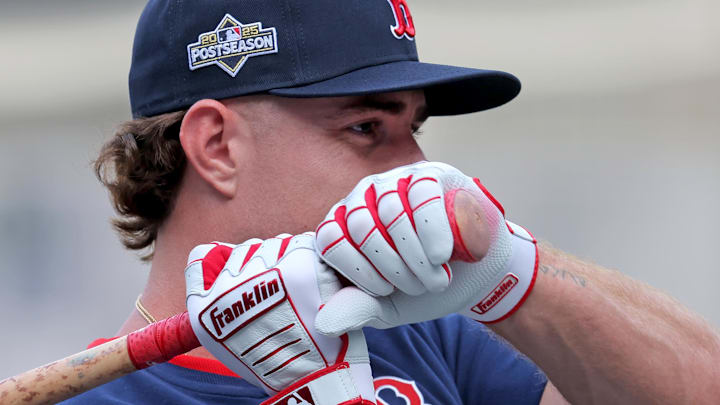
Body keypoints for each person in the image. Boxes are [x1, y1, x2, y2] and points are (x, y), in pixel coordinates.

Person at [64, 0, 720, 404]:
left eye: (415, 128)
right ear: (217, 147)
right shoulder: (101, 398)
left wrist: (517, 274)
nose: (416, 168)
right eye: (367, 128)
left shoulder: (424, 327)